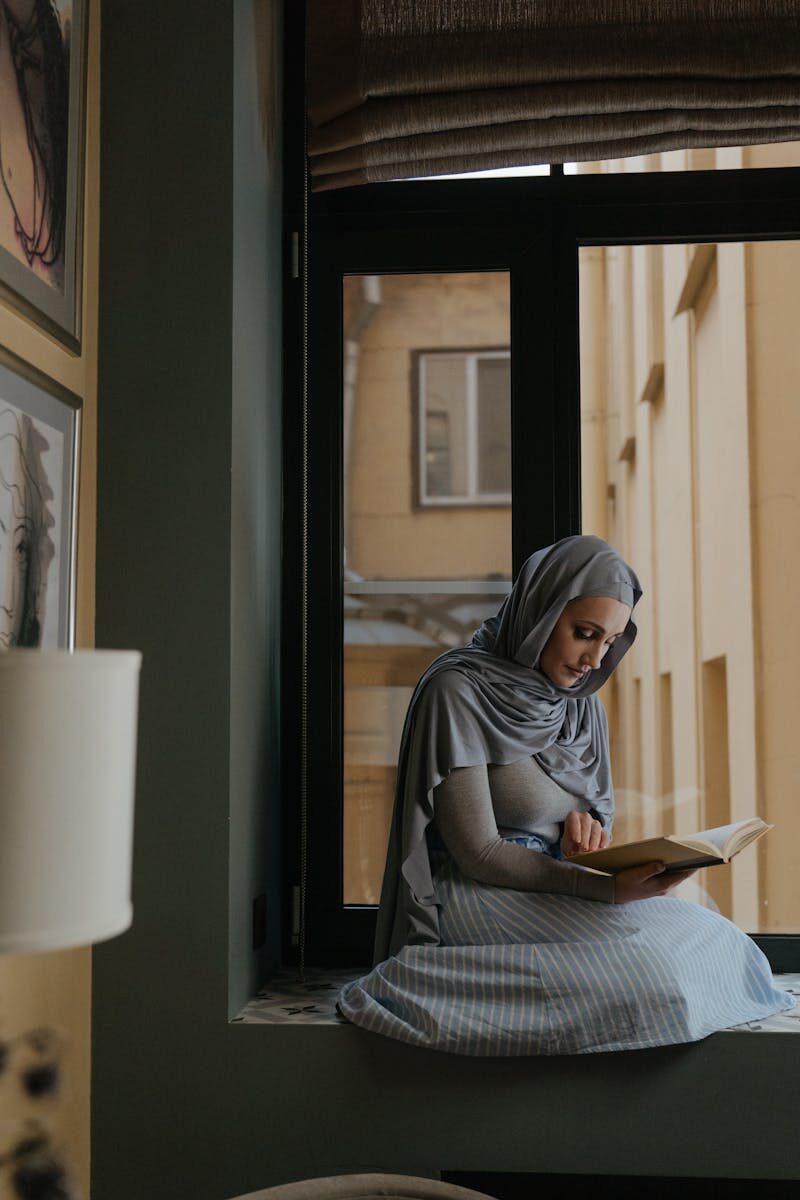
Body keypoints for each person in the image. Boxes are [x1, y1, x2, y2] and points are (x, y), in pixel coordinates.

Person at [337, 535, 794, 1055]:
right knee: (653, 975)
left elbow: (591, 822)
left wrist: (593, 854)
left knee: (722, 938)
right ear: (540, 610)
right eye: (584, 634)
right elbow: (478, 854)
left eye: (610, 642)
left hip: (562, 879)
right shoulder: (458, 691)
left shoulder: (581, 705)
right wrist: (601, 890)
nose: (594, 660)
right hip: (478, 892)